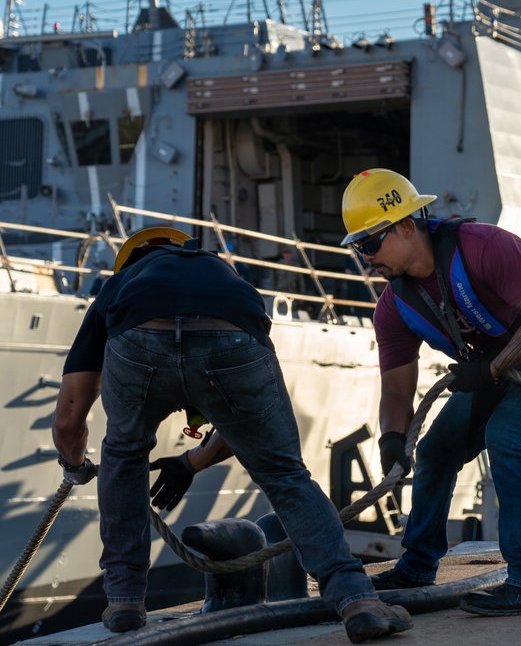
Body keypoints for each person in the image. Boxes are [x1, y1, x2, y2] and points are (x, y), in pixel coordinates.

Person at [50, 226, 411, 643]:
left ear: (129, 261)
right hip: (232, 334)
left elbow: (68, 419)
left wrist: (75, 467)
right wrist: (192, 462)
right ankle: (356, 600)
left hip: (138, 338)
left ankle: (125, 601)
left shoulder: (119, 288)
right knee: (284, 473)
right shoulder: (227, 278)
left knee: (124, 454)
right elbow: (247, 424)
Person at [339, 169, 521, 617]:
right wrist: (392, 439)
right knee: (436, 450)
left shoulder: (486, 247)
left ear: (407, 226)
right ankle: (418, 565)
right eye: (358, 248)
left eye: (370, 243)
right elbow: (398, 387)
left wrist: (492, 369)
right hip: (493, 367)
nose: (366, 258)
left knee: (509, 440)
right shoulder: (394, 307)